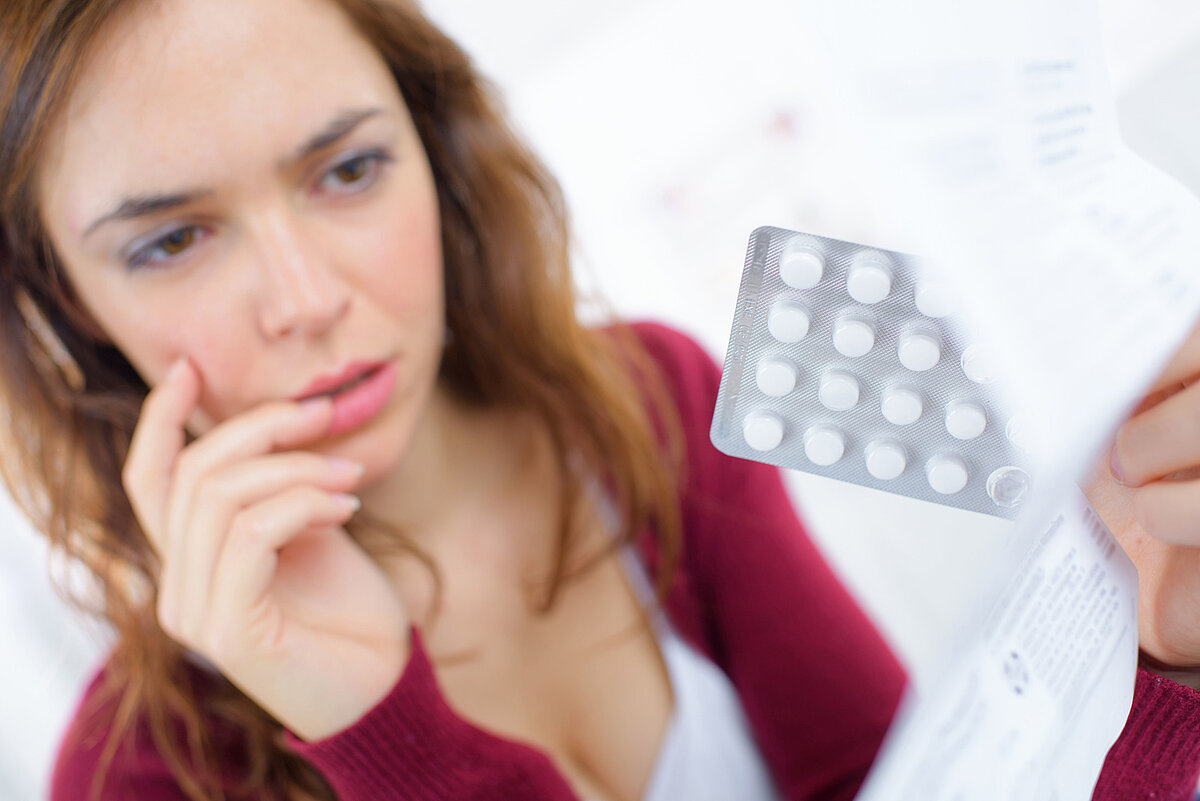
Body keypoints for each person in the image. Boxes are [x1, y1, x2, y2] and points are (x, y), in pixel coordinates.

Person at [0, 0, 1197, 799]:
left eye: (350, 169)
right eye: (171, 241)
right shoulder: (131, 774)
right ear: (65, 309)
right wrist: (379, 732)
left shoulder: (648, 405)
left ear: (436, 154)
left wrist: (1163, 677)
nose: (306, 299)